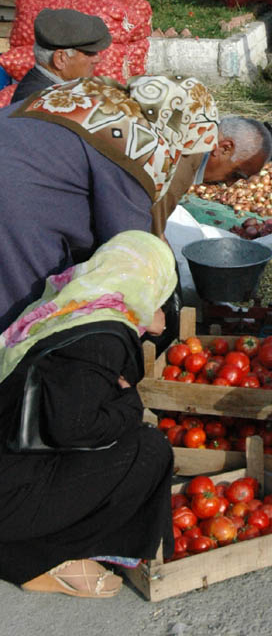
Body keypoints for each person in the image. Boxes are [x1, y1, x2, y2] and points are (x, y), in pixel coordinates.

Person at [0, 231, 176, 598]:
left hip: (9, 464)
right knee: (149, 450)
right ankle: (38, 554)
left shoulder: (67, 306)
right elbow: (76, 427)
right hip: (9, 499)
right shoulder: (103, 340)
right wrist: (130, 407)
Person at [0, 74, 220, 331]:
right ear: (181, 135)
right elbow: (125, 247)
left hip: (16, 173)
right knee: (20, 321)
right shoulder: (140, 146)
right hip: (14, 208)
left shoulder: (92, 93)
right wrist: (147, 313)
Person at [11, 8, 112, 104]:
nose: (98, 59)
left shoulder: (57, 89)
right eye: (89, 53)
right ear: (60, 59)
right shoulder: (41, 102)